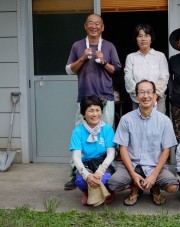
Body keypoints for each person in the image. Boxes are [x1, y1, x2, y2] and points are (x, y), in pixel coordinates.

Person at [64, 13, 122, 190]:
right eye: (91, 23)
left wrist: (104, 62)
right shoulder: (78, 45)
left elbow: (117, 70)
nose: (94, 26)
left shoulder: (109, 46)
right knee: (80, 135)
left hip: (105, 97)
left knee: (106, 136)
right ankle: (77, 173)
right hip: (85, 97)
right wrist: (82, 58)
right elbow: (69, 70)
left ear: (102, 27)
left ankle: (104, 170)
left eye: (97, 23)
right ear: (85, 26)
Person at [108, 80, 179, 206]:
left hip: (155, 166)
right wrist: (132, 173)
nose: (145, 96)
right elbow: (123, 148)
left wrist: (154, 175)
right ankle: (135, 187)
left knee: (173, 186)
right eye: (142, 92)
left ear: (155, 96)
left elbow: (166, 150)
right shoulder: (126, 119)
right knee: (114, 184)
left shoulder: (164, 120)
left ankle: (154, 186)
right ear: (136, 97)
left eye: (149, 92)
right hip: (132, 165)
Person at [70, 96, 116, 206]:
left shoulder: (107, 129)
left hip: (103, 162)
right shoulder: (78, 131)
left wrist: (101, 170)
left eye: (97, 110)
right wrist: (86, 175)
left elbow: (111, 153)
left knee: (105, 179)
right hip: (86, 164)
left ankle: (109, 192)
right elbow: (76, 157)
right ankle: (87, 192)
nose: (95, 114)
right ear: (83, 114)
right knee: (81, 181)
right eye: (90, 111)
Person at [124, 24, 169, 114]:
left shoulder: (160, 56)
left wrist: (154, 95)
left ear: (151, 38)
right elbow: (128, 78)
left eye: (146, 35)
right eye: (140, 36)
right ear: (136, 39)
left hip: (157, 99)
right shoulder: (131, 57)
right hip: (137, 99)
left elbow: (164, 77)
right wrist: (140, 95)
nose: (143, 39)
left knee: (158, 124)